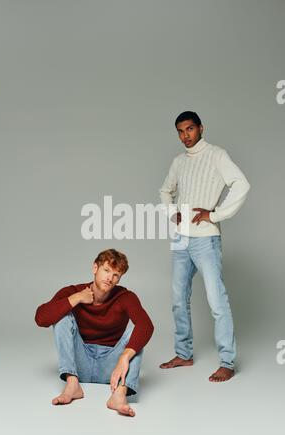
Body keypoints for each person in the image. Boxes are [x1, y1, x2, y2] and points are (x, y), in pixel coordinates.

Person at [159, 111, 250, 382]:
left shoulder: (217, 155)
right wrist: (171, 211)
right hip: (181, 238)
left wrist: (215, 214)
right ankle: (184, 354)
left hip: (206, 238)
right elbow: (165, 190)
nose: (185, 136)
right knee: (178, 299)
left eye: (189, 129)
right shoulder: (178, 161)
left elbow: (241, 184)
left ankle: (227, 361)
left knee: (216, 301)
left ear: (200, 128)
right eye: (180, 131)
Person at [35, 249, 154, 417]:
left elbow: (147, 325)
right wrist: (76, 299)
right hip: (79, 363)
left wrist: (124, 357)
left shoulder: (125, 297)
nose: (109, 278)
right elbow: (41, 318)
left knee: (138, 333)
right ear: (95, 268)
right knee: (62, 316)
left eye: (116, 275)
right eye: (106, 270)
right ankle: (72, 383)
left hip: (112, 369)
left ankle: (119, 395)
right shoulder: (73, 291)